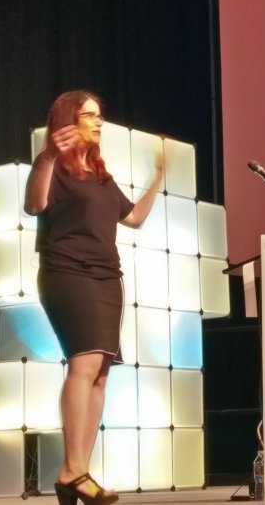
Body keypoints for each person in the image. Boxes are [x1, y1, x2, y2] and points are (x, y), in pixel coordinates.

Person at [24, 90, 164, 505]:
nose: (99, 122)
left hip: (107, 277)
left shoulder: (100, 175)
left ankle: (78, 472)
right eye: (89, 115)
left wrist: (158, 178)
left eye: (100, 115)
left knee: (102, 371)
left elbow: (133, 217)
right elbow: (34, 205)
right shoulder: (52, 165)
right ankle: (72, 469)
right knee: (84, 363)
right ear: (68, 120)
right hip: (67, 271)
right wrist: (48, 155)